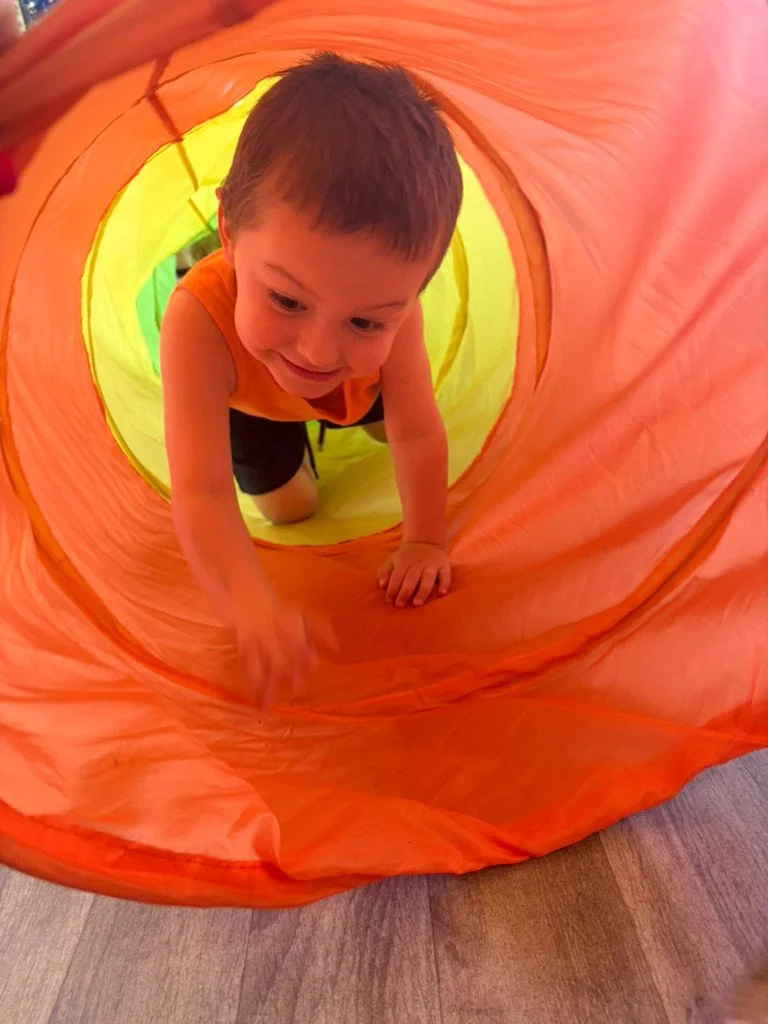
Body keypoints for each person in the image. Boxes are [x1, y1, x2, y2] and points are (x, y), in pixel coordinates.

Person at [160, 52, 463, 703]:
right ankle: (300, 448)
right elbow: (201, 494)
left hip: (364, 390)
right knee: (292, 510)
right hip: (252, 399)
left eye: (364, 319)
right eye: (288, 300)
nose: (319, 348)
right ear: (231, 235)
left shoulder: (393, 318)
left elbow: (416, 431)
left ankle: (343, 408)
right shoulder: (195, 322)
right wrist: (252, 609)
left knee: (389, 434)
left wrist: (425, 540)